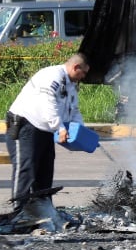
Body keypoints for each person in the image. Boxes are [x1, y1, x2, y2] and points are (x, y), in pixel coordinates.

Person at [5, 53, 90, 211]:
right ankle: (18, 211)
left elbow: (74, 110)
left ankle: (42, 210)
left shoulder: (70, 85)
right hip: (25, 124)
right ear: (75, 67)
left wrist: (80, 131)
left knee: (45, 170)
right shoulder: (52, 75)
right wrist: (60, 127)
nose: (83, 76)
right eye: (83, 72)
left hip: (44, 129)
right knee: (26, 167)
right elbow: (47, 103)